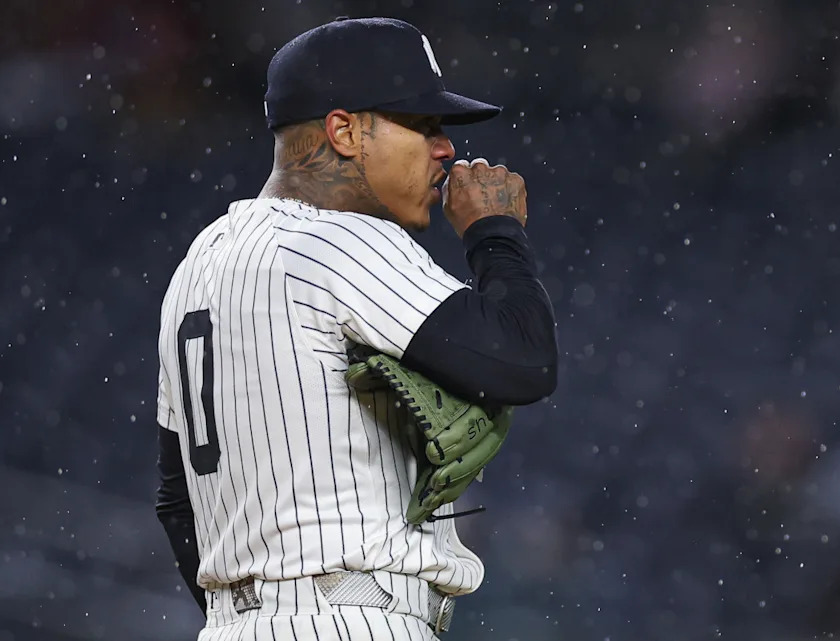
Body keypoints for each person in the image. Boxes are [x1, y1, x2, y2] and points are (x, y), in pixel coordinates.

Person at [154, 16, 558, 641]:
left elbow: (178, 502)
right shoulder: (340, 237)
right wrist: (494, 232)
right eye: (422, 125)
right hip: (353, 619)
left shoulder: (199, 262)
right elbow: (523, 361)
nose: (445, 147)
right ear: (343, 132)